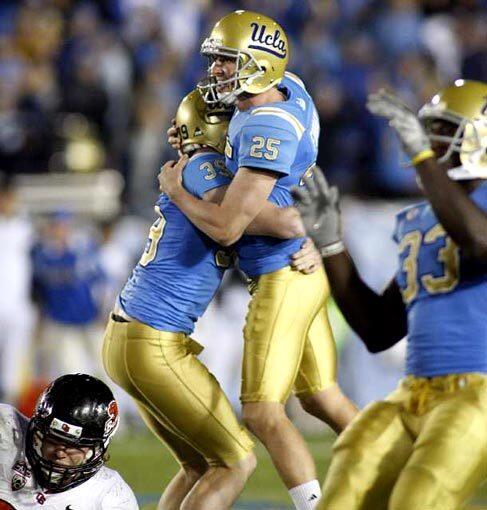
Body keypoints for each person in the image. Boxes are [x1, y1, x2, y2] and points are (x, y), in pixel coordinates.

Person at [160, 10, 357, 509]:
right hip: (298, 266)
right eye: (217, 61)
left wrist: (179, 189)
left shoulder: (267, 125)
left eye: (228, 62)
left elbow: (228, 225)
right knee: (321, 398)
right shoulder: (290, 87)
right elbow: (294, 192)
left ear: (260, 63)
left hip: (283, 273)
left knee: (263, 413)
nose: (218, 72)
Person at [103, 88, 306, 510]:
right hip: (152, 339)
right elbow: (284, 222)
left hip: (134, 334)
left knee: (200, 465)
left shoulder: (194, 165)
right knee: (236, 461)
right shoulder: (205, 167)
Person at [291, 79, 487, 510]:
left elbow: (478, 240)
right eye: (427, 132)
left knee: (417, 500)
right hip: (413, 392)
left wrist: (423, 159)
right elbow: (378, 328)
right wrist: (332, 245)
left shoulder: (474, 214)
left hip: (477, 394)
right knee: (345, 484)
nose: (428, 142)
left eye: (443, 131)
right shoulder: (421, 218)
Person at [0, 373, 138, 509]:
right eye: (53, 440)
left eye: (73, 446)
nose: (60, 453)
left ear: (97, 449)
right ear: (37, 430)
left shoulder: (112, 497)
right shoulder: (5, 429)